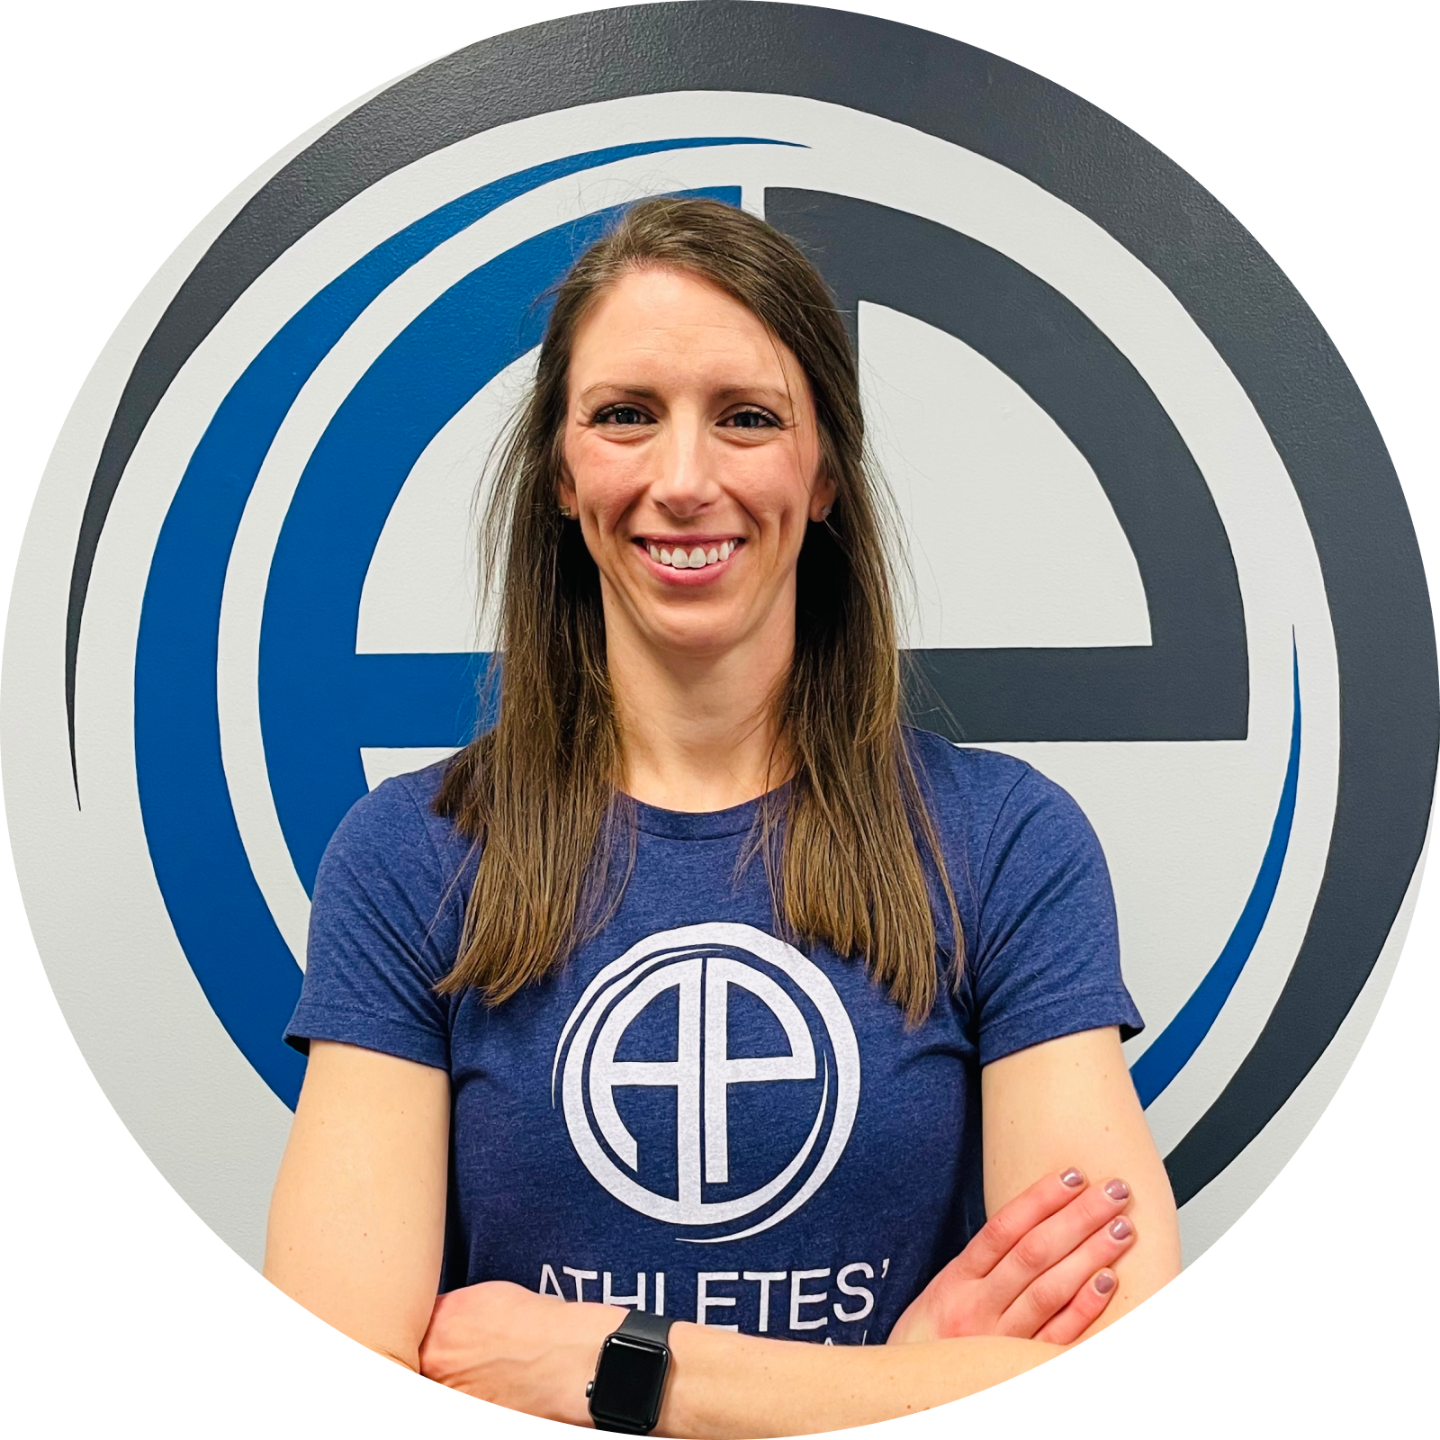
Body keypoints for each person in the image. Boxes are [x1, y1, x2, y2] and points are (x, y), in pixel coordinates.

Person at [265, 197, 1182, 1432]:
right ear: (561, 474)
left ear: (826, 477)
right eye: (625, 415)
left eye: (747, 418)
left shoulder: (1004, 843)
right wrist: (902, 1384)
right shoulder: (411, 856)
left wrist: (625, 1368)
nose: (684, 480)